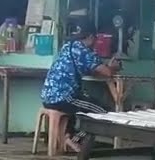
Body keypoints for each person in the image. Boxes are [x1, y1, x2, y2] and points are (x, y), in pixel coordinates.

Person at [40, 16, 121, 151]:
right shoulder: (84, 51)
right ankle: (72, 138)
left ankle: (67, 135)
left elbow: (87, 69)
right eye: (95, 38)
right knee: (103, 112)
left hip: (48, 97)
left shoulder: (68, 47)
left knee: (83, 106)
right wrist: (113, 67)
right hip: (64, 97)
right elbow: (107, 73)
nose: (95, 42)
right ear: (90, 37)